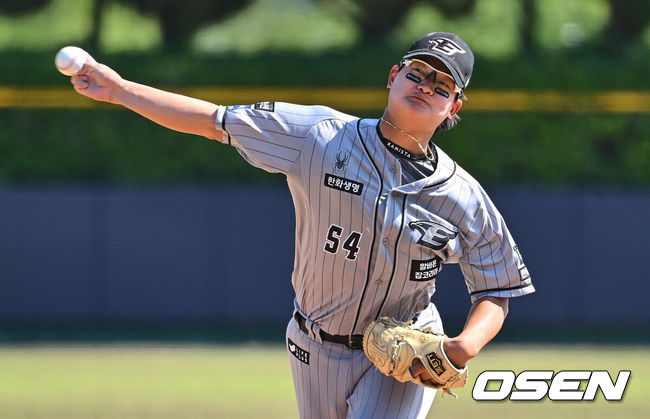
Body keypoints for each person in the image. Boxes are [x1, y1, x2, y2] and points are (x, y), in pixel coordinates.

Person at [70, 31, 534, 418]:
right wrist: (117, 89)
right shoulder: (319, 136)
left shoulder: (462, 195)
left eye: (441, 85)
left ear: (454, 107)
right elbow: (213, 121)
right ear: (394, 77)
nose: (425, 85)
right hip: (313, 343)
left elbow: (498, 286)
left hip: (402, 355)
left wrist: (463, 347)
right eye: (417, 72)